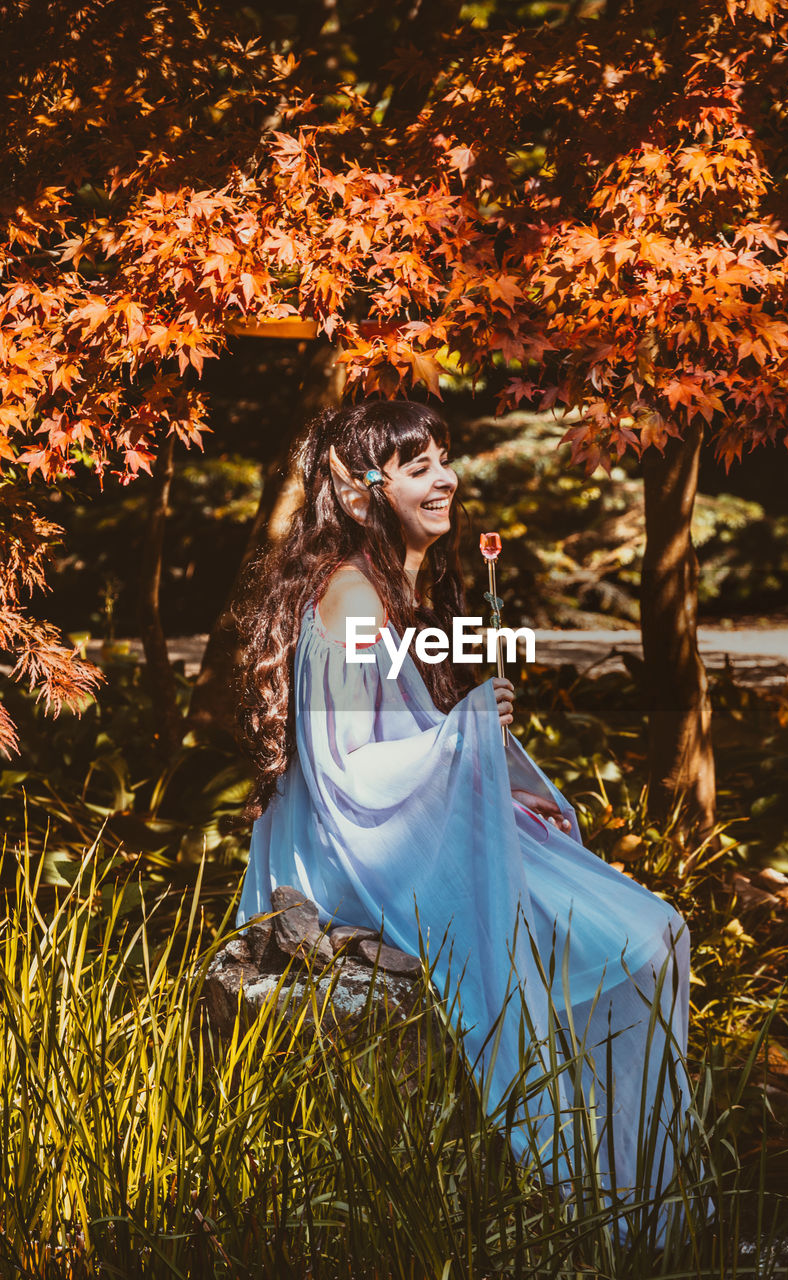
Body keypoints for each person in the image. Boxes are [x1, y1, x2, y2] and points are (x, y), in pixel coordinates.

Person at [231, 400, 691, 1240]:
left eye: (444, 456)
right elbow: (347, 766)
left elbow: (405, 736)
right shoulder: (350, 597)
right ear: (365, 493)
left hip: (399, 813)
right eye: (417, 466)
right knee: (641, 941)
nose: (445, 478)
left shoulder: (401, 582)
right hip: (349, 842)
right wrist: (469, 734)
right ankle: (599, 1198)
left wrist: (485, 762)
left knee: (651, 934)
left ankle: (620, 1194)